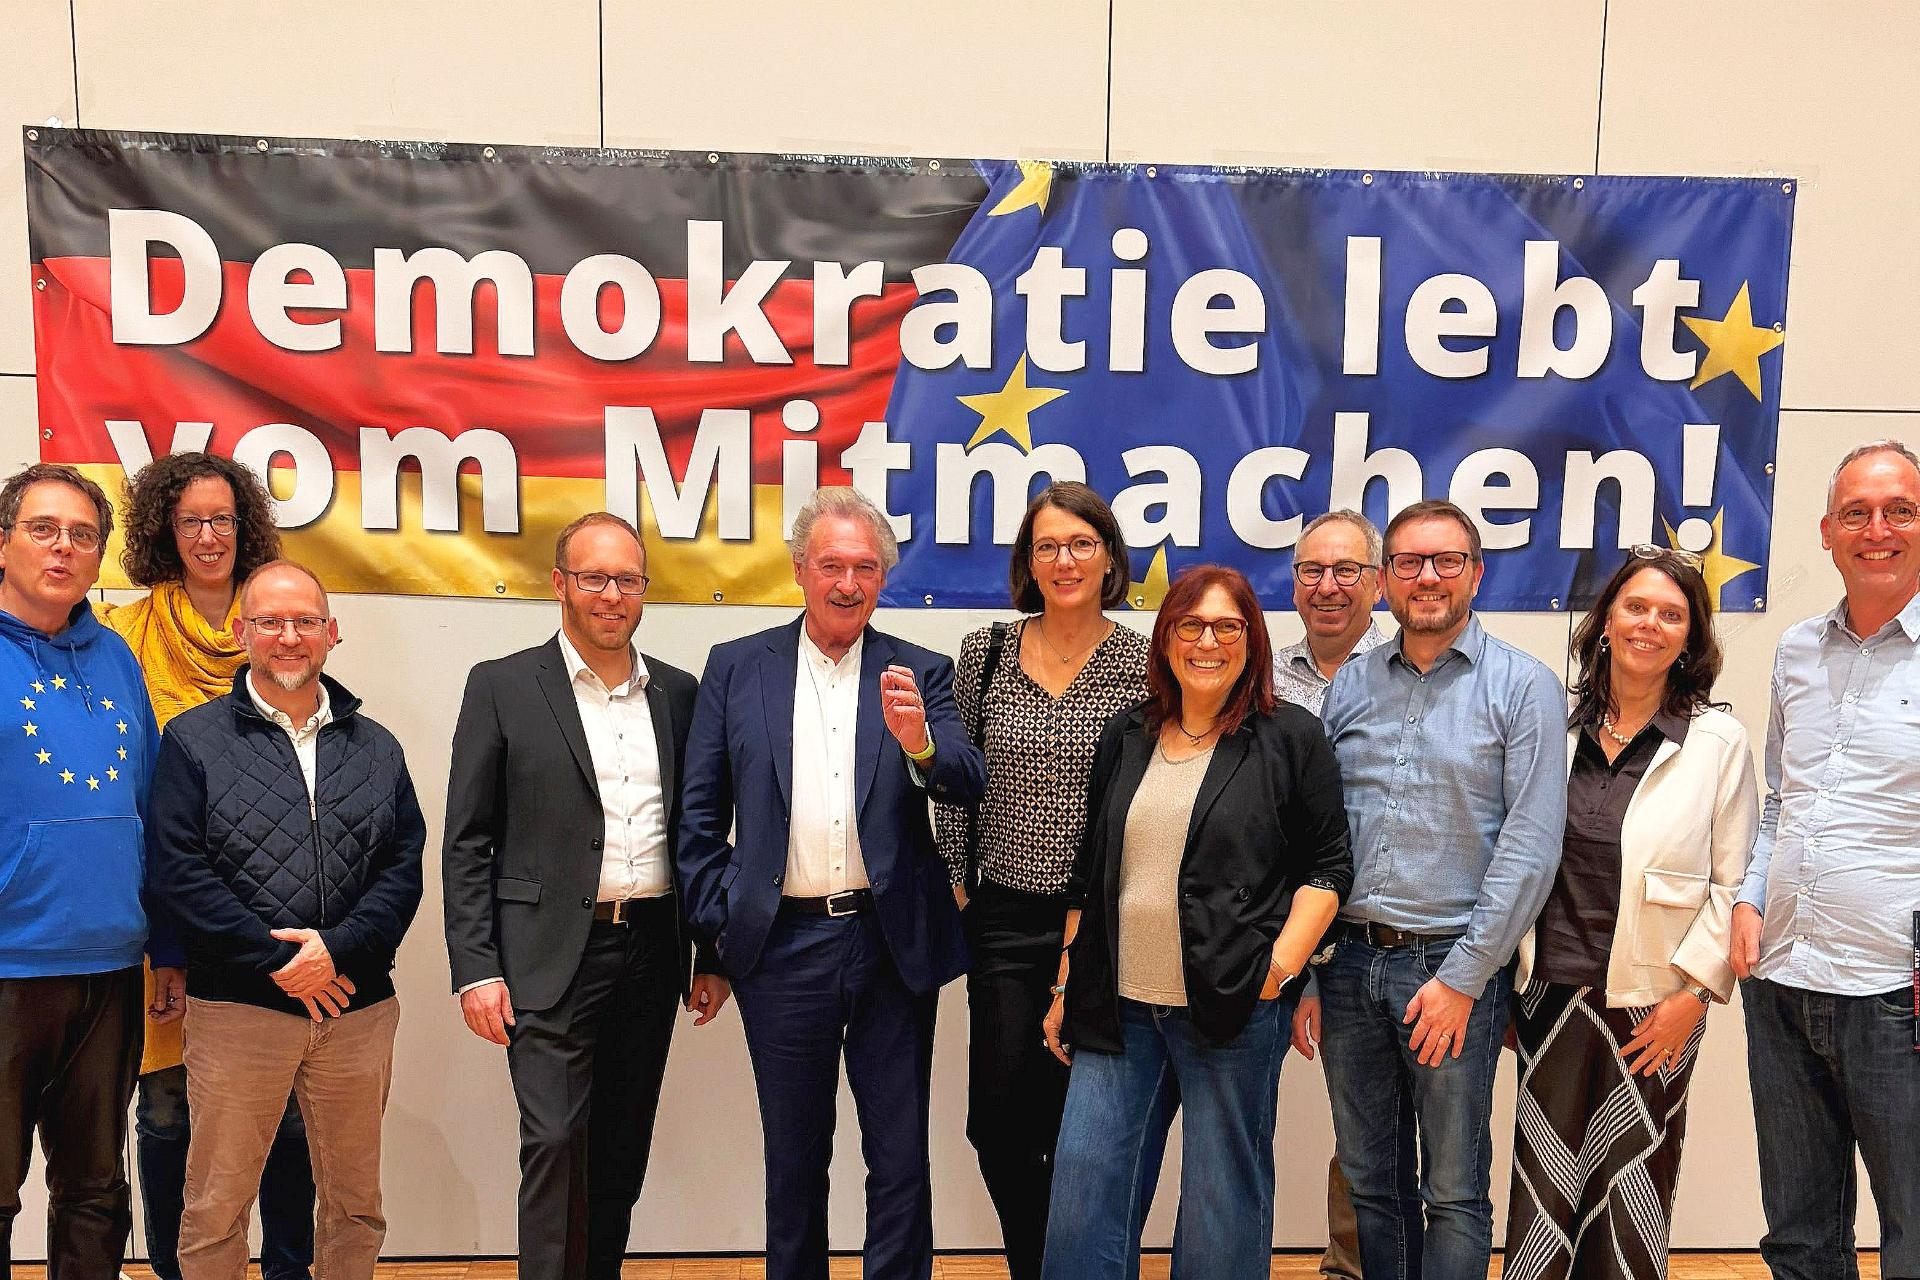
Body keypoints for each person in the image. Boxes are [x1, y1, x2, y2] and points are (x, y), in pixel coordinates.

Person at [677, 485, 985, 1280]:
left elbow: (964, 779)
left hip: (890, 948)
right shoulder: (737, 668)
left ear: (883, 576)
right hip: (780, 948)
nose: (847, 582)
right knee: (793, 1157)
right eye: (831, 565)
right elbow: (699, 817)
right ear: (799, 570)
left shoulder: (921, 671)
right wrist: (722, 925)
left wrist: (919, 743)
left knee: (899, 1158)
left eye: (865, 567)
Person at [1039, 563, 1350, 1280]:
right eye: (1191, 624)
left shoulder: (1289, 738)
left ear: (1252, 639)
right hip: (1118, 1009)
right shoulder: (1128, 734)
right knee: (1085, 1197)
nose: (1208, 640)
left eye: (1227, 625)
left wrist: (1275, 972)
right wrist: (1064, 987)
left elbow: (1330, 867)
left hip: (1233, 1010)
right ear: (1168, 636)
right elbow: (1094, 873)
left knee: (1221, 1205)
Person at [443, 511, 727, 1280]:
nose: (611, 595)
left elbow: (703, 833)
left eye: (628, 580)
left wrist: (712, 951)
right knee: (555, 1143)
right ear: (560, 583)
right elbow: (468, 838)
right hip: (544, 957)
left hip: (651, 950)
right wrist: (475, 968)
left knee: (619, 1145)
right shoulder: (502, 685)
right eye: (594, 577)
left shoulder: (679, 692)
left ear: (644, 591)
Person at [149, 560, 425, 1280]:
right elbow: (179, 870)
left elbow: (402, 868)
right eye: (269, 621)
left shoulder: (377, 747)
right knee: (216, 1208)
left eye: (305, 620)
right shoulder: (192, 740)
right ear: (243, 634)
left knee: (354, 1205)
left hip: (355, 1008)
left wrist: (336, 953)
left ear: (332, 633)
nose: (288, 636)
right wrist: (279, 964)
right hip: (238, 1009)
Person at [1319, 499, 1568, 1280]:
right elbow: (1320, 842)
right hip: (1348, 965)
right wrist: (1309, 970)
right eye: (1409, 563)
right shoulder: (1353, 683)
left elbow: (1530, 847)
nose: (1427, 577)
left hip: (1451, 969)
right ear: (1384, 579)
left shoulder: (1525, 688)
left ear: (1476, 573)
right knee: (1370, 1181)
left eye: (1446, 561)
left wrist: (1463, 980)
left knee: (1454, 1190)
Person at [1504, 546, 1758, 1280]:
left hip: (1655, 1006)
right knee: (1544, 1192)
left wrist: (1696, 995)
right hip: (1548, 995)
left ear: (1691, 637)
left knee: (1633, 1186)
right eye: (1636, 607)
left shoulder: (1717, 742)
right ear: (1606, 621)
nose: (1651, 624)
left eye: (1672, 614)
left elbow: (1731, 879)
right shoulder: (1553, 723)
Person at [104, 450, 316, 1280]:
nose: (207, 535)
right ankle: (175, 1268)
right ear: (165, 528)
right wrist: (171, 940)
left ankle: (287, 1268)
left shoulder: (281, 623)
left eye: (222, 518)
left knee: (289, 1108)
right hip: (167, 911)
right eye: (190, 519)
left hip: (274, 907)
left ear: (245, 526)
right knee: (167, 1109)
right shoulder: (123, 635)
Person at [932, 481, 1149, 1280]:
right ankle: (1041, 1266)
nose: (1065, 560)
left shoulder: (1142, 663)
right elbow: (952, 780)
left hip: (1102, 922)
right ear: (1028, 560)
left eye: (1081, 544)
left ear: (1110, 558)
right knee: (996, 1121)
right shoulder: (985, 650)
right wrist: (961, 881)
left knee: (1080, 1128)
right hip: (1001, 919)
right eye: (1048, 545)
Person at [1730, 439, 1920, 1280]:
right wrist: (1745, 897)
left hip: (1898, 994)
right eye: (1857, 513)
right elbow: (1782, 800)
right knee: (1800, 1237)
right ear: (1826, 533)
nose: (1877, 529)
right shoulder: (1797, 651)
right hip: (1783, 981)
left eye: (1899, 510)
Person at [0, 463, 178, 1276]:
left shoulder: (113, 658)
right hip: (7, 967)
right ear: (5, 541)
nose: (64, 548)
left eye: (83, 534)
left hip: (110, 967)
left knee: (97, 1191)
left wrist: (165, 944)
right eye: (44, 529)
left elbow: (149, 808)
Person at [1274, 509, 1387, 1280]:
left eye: (1347, 570)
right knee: (1354, 1129)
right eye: (1312, 571)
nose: (1329, 586)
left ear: (1377, 582)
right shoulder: (1265, 679)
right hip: (1295, 938)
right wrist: (1304, 966)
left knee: (1401, 1138)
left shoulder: (1414, 666)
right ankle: (1348, 1268)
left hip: (1400, 934)